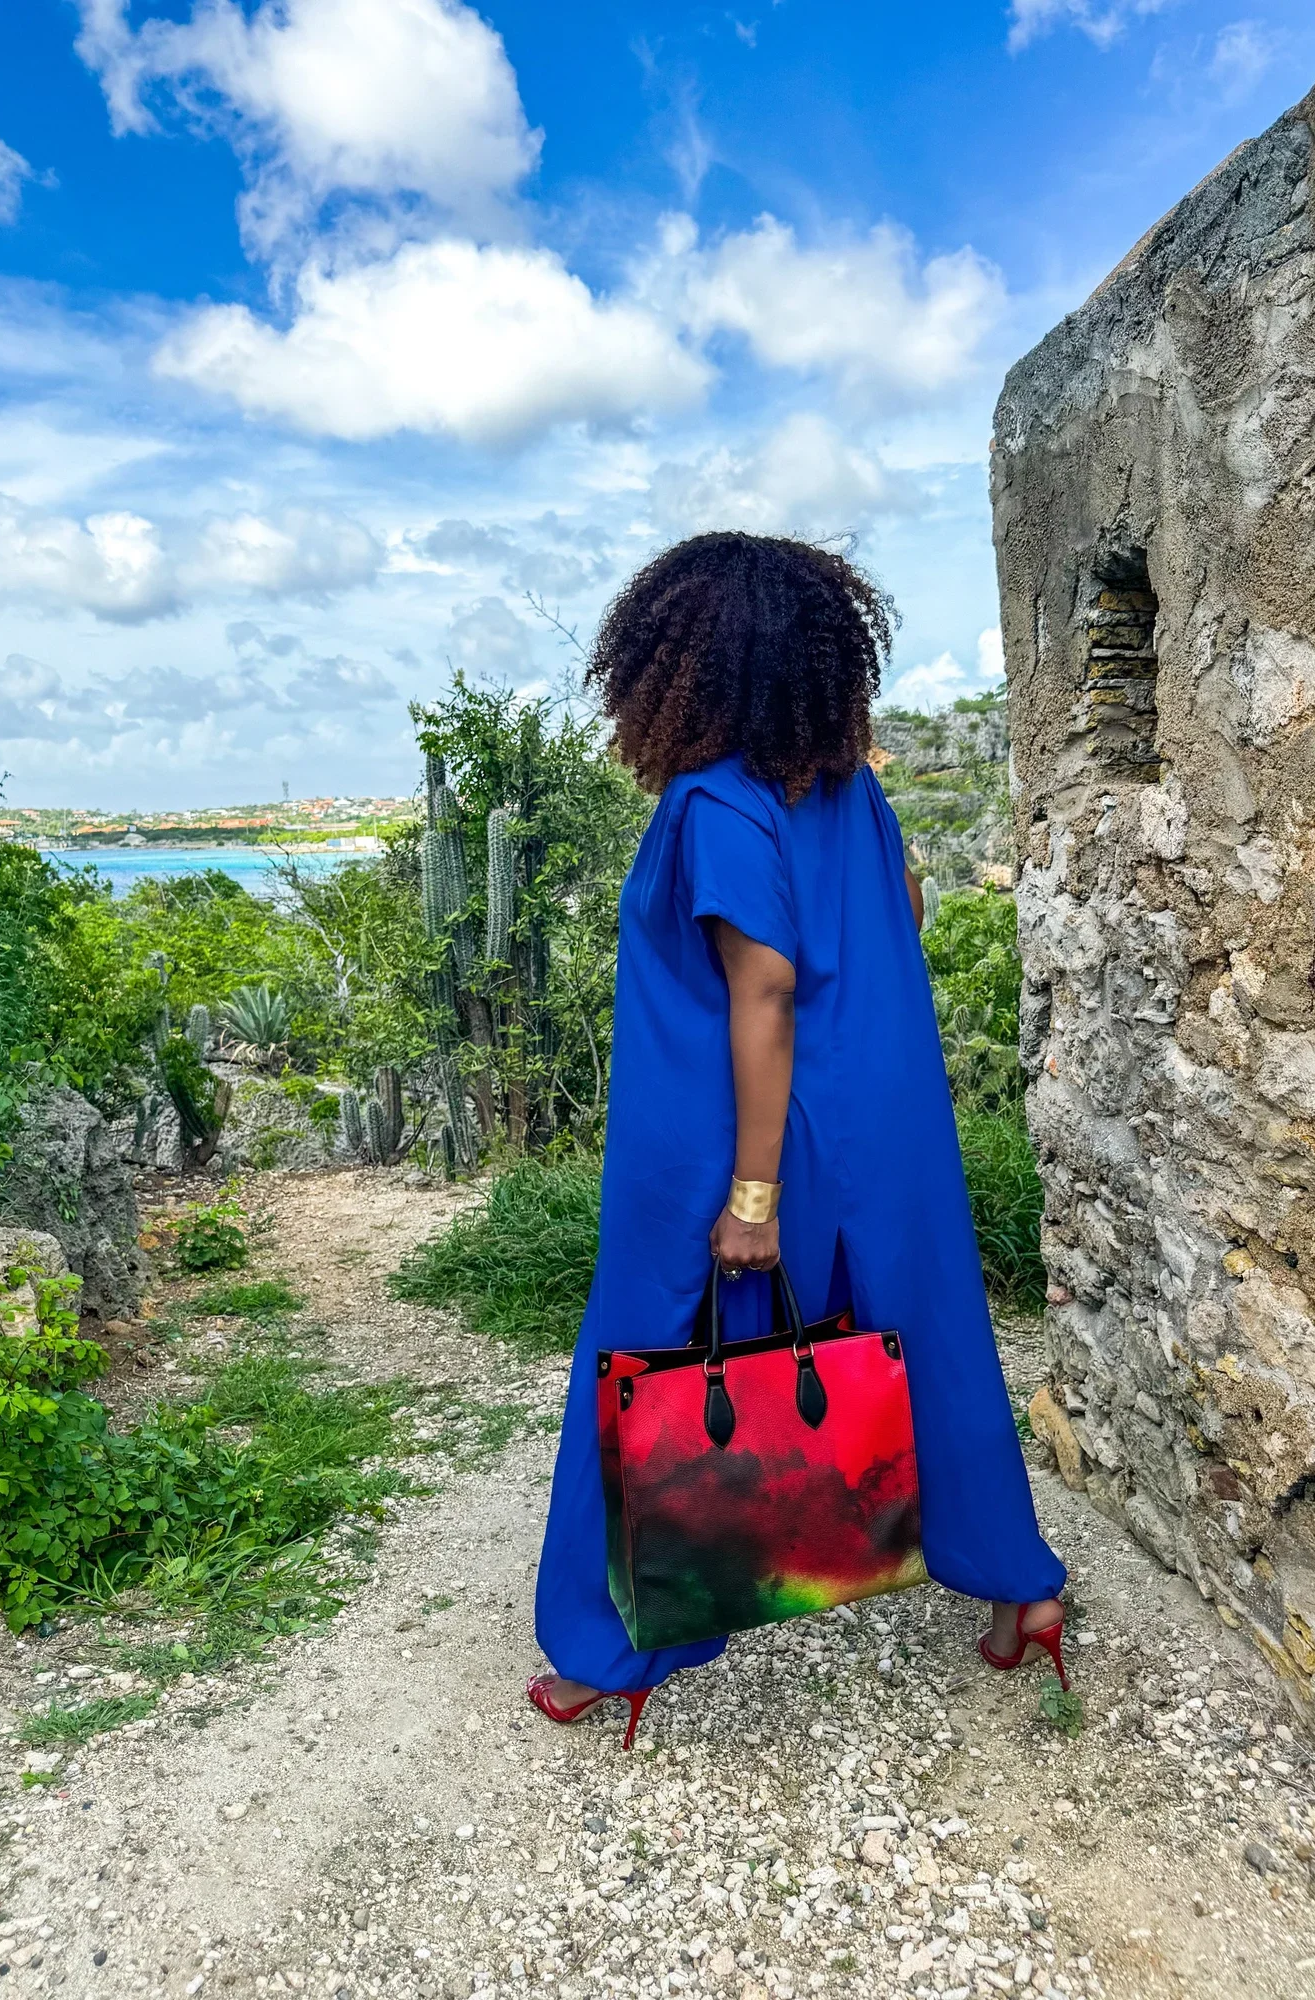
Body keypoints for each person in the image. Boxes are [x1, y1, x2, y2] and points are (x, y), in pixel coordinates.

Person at [528, 531, 1067, 1749]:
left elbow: (762, 987)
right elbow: (904, 912)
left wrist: (754, 1195)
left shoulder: (714, 800)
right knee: (927, 1335)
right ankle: (1024, 1587)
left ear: (682, 662)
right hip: (882, 1115)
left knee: (645, 1355)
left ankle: (622, 1646)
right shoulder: (849, 787)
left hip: (734, 1129)